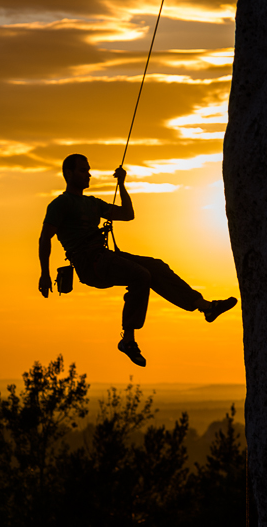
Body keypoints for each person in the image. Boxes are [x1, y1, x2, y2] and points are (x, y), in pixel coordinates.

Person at [38, 153, 237, 367]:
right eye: (83, 170)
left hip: (104, 257)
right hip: (89, 263)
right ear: (68, 174)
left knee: (155, 266)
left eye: (88, 169)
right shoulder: (60, 204)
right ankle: (129, 340)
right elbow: (44, 238)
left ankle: (205, 306)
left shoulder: (93, 203)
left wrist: (122, 185)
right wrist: (45, 274)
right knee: (140, 275)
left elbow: (127, 213)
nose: (89, 174)